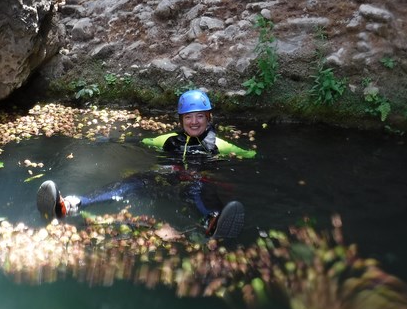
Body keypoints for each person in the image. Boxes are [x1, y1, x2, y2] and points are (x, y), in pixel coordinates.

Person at [36, 90, 255, 239]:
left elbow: (250, 155)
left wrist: (249, 156)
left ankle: (213, 221)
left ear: (208, 118)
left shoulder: (219, 144)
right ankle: (71, 205)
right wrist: (110, 140)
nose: (194, 122)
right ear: (181, 120)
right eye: (188, 117)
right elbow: (140, 142)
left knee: (198, 187)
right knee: (132, 182)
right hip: (164, 179)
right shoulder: (169, 140)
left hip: (194, 183)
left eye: (199, 116)